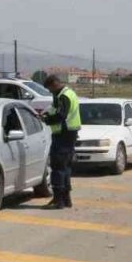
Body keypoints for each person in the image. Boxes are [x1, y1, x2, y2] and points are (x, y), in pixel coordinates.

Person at [38, 74, 81, 209]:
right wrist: (45, 114)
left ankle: (58, 200)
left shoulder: (63, 96)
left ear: (55, 84)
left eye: (50, 89)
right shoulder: (67, 93)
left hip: (64, 133)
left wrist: (46, 120)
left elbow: (61, 115)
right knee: (65, 167)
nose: (50, 92)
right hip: (69, 133)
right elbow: (54, 109)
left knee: (58, 167)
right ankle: (66, 199)